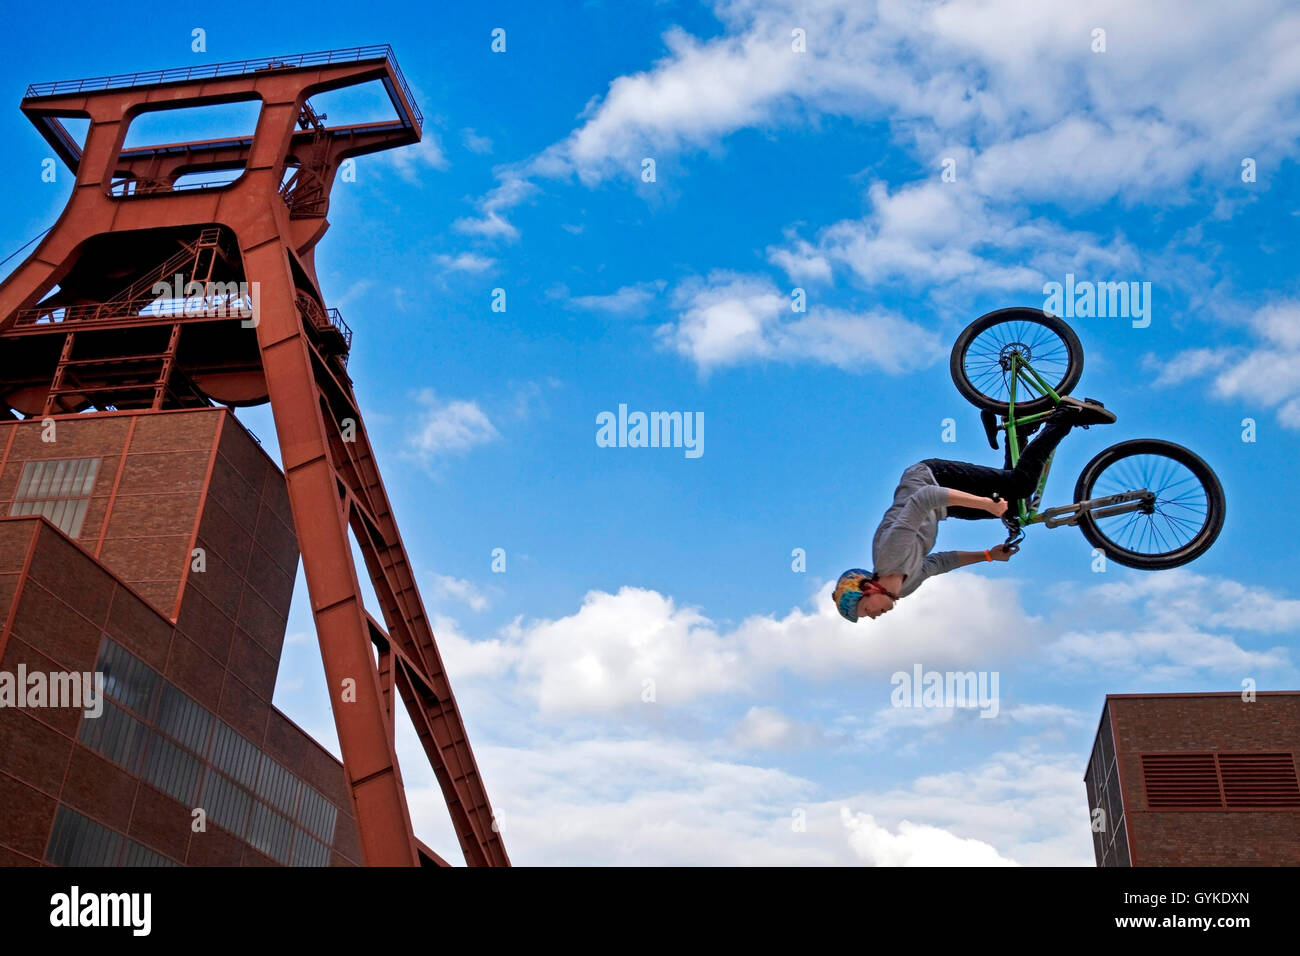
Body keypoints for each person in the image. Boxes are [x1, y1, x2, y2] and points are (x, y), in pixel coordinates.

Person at [833, 396, 1116, 622]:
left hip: (932, 478)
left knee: (1019, 485)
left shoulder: (889, 553)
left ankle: (1065, 415)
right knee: (1015, 508)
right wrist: (988, 556)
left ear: (867, 589)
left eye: (865, 611)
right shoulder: (903, 589)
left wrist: (984, 505)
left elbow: (925, 497)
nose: (872, 618)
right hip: (940, 507)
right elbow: (939, 563)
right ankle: (1015, 430)